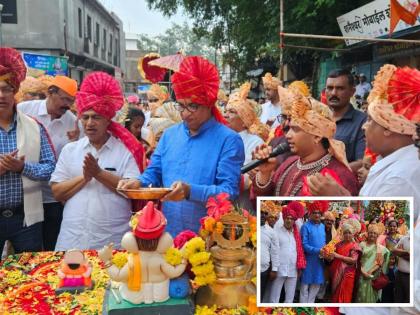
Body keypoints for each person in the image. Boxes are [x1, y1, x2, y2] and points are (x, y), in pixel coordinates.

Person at [118, 56, 245, 237]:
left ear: (209, 103)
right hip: (168, 234)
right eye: (181, 105)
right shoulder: (170, 135)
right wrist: (139, 181)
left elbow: (228, 192)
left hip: (206, 239)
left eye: (192, 106)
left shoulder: (229, 140)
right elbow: (154, 171)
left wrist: (190, 191)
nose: (185, 113)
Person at [309, 65, 420, 219]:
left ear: (388, 127)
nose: (364, 126)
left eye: (370, 120)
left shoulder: (399, 179)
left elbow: (381, 234)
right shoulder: (393, 163)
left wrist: (340, 198)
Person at [50, 72, 145, 250]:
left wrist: (99, 174)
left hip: (112, 242)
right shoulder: (70, 150)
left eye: (96, 117)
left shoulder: (125, 151)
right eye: (85, 117)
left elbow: (133, 190)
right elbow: (57, 192)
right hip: (72, 239)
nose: (89, 123)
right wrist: (85, 178)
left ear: (108, 120)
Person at [0, 47, 56, 253]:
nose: (1, 95)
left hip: (26, 219)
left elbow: (50, 167)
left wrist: (22, 167)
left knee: (30, 275)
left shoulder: (33, 126)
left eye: (7, 89)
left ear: (15, 92)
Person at [252, 91, 359, 197]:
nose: (288, 135)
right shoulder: (288, 164)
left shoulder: (341, 174)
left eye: (295, 129)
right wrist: (264, 174)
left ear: (317, 136)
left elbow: (351, 213)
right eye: (289, 129)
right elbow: (263, 207)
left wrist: (336, 198)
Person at [17, 75, 80, 250]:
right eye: (64, 99)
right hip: (26, 194)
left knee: (52, 245)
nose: (68, 105)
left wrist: (75, 142)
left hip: (53, 197)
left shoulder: (72, 122)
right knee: (28, 249)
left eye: (71, 101)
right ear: (50, 93)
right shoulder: (25, 110)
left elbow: (74, 156)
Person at [325, 69, 367, 170]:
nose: (333, 93)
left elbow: (362, 162)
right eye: (330, 88)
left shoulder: (363, 122)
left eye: (340, 88)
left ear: (352, 92)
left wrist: (328, 173)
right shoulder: (318, 118)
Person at [265, 201, 306, 303]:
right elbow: (273, 252)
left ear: (294, 221)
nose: (289, 220)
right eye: (287, 218)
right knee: (274, 297)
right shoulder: (276, 231)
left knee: (289, 298)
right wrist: (274, 269)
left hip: (293, 270)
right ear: (283, 219)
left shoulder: (296, 234)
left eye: (291, 219)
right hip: (279, 269)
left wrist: (299, 267)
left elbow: (298, 251)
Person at [224, 82, 268, 164]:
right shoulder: (223, 139)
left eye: (231, 112)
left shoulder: (255, 142)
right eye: (225, 111)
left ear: (244, 121)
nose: (225, 115)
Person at [327, 219, 362, 303]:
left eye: (349, 233)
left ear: (353, 234)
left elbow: (353, 260)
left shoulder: (355, 246)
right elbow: (332, 256)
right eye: (345, 233)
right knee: (334, 293)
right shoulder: (338, 244)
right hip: (335, 272)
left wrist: (337, 256)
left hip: (347, 274)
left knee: (345, 294)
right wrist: (327, 255)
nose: (347, 235)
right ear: (343, 234)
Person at [299, 201, 328, 303]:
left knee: (316, 285)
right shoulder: (305, 226)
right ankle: (302, 307)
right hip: (308, 260)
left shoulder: (322, 227)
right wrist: (318, 250)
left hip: (319, 260)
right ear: (310, 213)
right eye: (314, 212)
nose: (317, 215)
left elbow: (323, 242)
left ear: (321, 214)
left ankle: (310, 305)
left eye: (319, 213)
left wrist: (326, 250)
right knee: (304, 286)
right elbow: (304, 245)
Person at [355, 224, 390, 303]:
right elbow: (357, 261)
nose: (372, 235)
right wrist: (363, 272)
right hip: (360, 273)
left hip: (372, 276)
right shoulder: (362, 245)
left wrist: (370, 272)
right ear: (367, 233)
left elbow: (379, 263)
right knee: (360, 295)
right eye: (371, 232)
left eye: (375, 233)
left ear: (377, 235)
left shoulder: (380, 248)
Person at [260, 211, 280, 302]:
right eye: (260, 212)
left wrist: (274, 269)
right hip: (249, 270)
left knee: (260, 296)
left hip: (263, 270)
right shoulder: (249, 226)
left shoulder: (271, 232)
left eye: (265, 213)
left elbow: (275, 252)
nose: (263, 215)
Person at [392, 234, 410, 303]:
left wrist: (401, 253)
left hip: (409, 277)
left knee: (408, 299)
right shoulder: (404, 238)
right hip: (399, 274)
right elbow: (394, 250)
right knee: (398, 298)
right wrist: (407, 252)